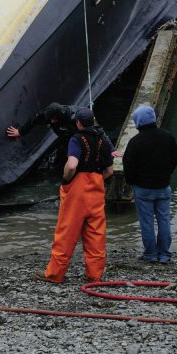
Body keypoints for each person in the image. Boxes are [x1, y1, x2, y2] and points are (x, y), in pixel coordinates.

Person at [40, 108, 114, 284]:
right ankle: (94, 276)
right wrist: (97, 179)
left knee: (66, 232)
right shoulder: (103, 140)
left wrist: (66, 180)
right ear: (93, 121)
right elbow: (110, 170)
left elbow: (72, 165)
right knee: (96, 234)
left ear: (78, 123)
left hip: (77, 188)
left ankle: (54, 275)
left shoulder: (77, 138)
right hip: (97, 187)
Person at [122, 104, 177, 264]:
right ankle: (165, 254)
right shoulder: (167, 136)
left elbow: (128, 165)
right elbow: (175, 158)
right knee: (164, 219)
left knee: (146, 222)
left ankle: (151, 254)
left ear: (139, 122)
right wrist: (167, 174)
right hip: (163, 186)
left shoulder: (135, 142)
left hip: (143, 188)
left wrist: (132, 182)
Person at [7, 102, 115, 172]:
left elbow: (100, 131)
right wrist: (20, 132)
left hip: (80, 141)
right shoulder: (47, 115)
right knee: (59, 164)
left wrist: (111, 149)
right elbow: (33, 121)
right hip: (65, 140)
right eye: (51, 120)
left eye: (54, 119)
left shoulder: (75, 116)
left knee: (81, 165)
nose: (52, 121)